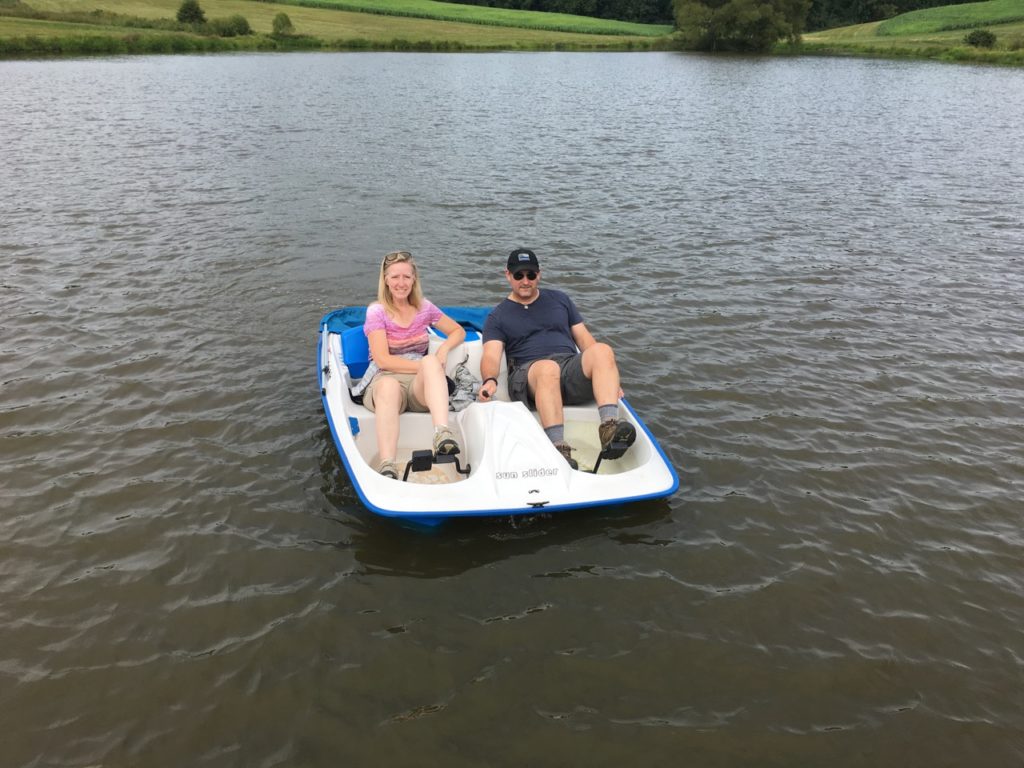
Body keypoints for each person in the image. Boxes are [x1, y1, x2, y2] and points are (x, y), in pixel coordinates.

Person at [478, 248, 636, 469]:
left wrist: (608, 375)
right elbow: (491, 356)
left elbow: (584, 340)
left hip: (567, 369)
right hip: (528, 375)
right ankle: (558, 447)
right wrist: (490, 380)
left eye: (531, 275)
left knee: (603, 350)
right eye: (519, 275)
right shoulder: (498, 316)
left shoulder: (560, 300)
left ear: (539, 275)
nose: (525, 281)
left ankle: (609, 427)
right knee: (548, 368)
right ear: (508, 275)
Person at [361, 250, 465, 479]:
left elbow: (458, 331)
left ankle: (442, 434)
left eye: (406, 277)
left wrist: (444, 351)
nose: (401, 283)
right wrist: (430, 368)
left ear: (414, 279)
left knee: (430, 360)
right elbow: (382, 359)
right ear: (386, 280)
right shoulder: (376, 312)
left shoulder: (424, 308)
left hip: (417, 387)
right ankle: (388, 463)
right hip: (384, 381)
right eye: (395, 277)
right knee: (394, 381)